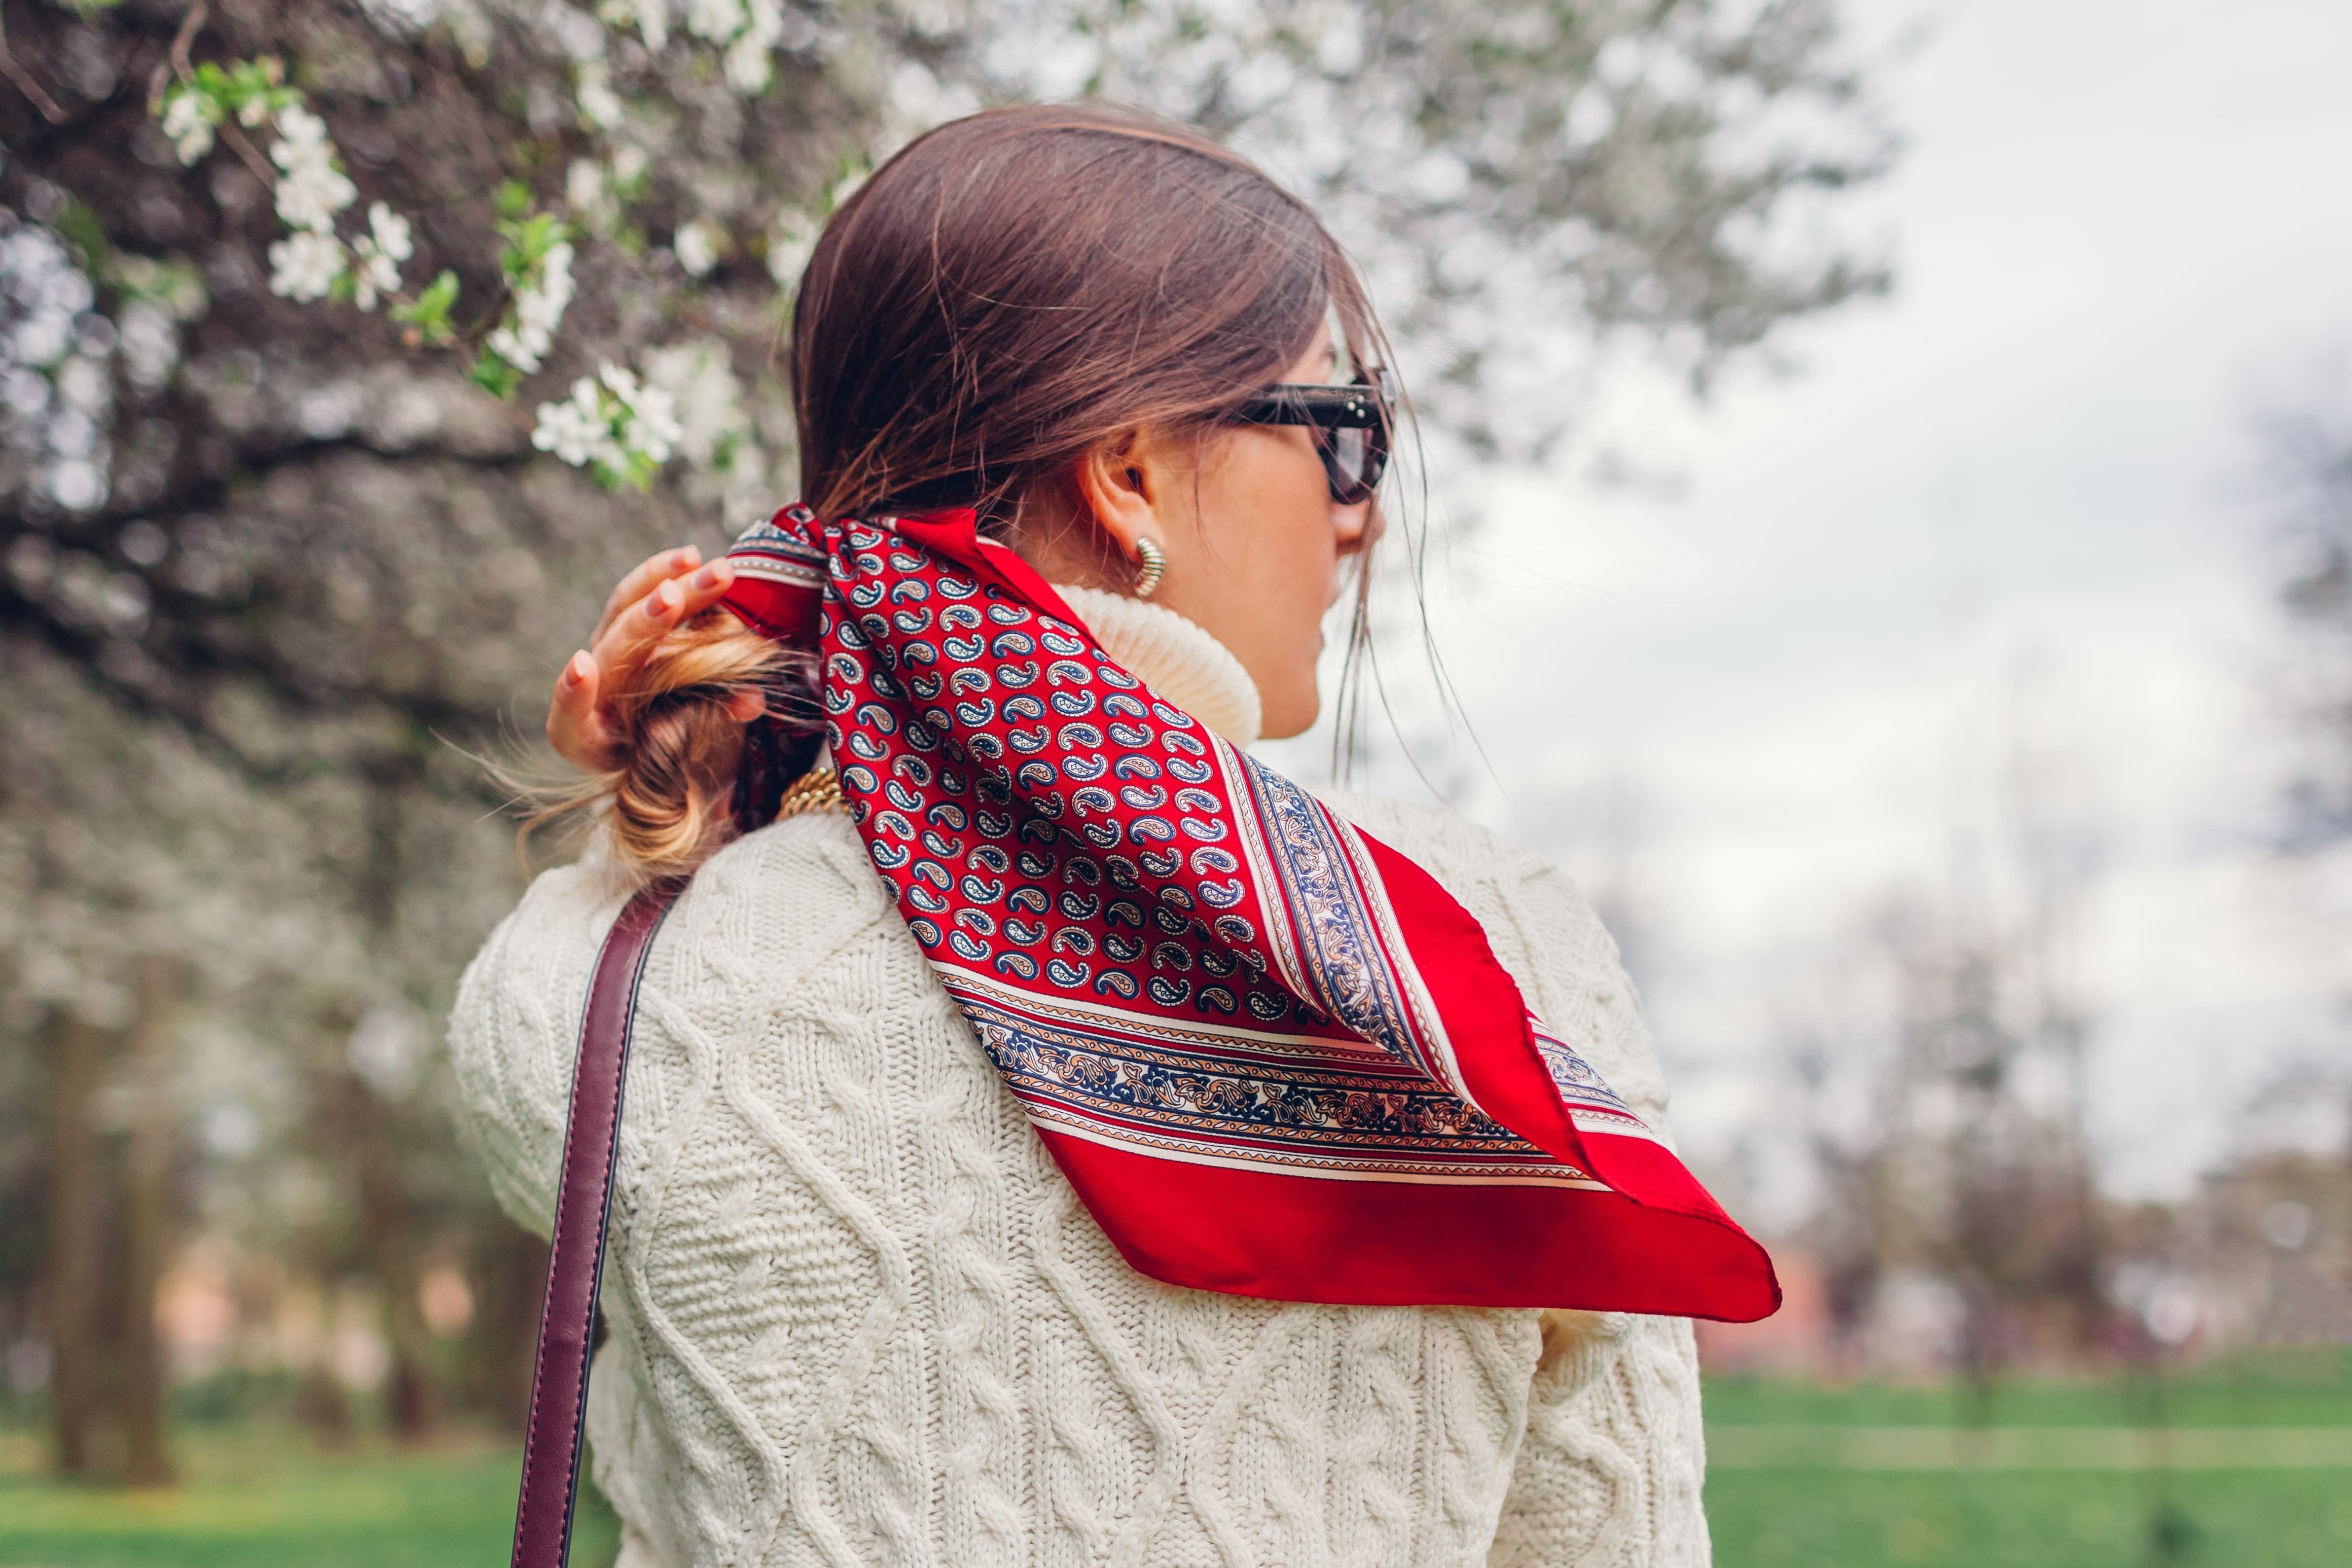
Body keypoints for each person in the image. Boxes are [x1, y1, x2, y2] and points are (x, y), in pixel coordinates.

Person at [450, 102, 1770, 1568]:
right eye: (1342, 432)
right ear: (1127, 472)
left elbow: (550, 1048)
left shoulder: (610, 980)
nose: (1364, 519)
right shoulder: (1475, 949)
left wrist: (693, 777)